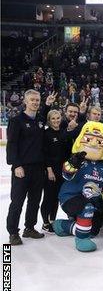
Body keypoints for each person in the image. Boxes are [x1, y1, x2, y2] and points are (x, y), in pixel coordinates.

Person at [54, 122, 103, 252]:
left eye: (99, 141)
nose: (93, 144)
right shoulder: (76, 159)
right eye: (88, 139)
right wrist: (73, 164)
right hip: (71, 198)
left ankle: (63, 226)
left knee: (93, 231)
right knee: (86, 209)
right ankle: (81, 239)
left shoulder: (102, 166)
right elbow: (66, 174)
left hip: (92, 201)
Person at [6, 89, 55, 245]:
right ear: (25, 101)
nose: (35, 102)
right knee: (17, 202)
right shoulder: (17, 120)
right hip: (22, 169)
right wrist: (16, 165)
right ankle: (13, 232)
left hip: (38, 168)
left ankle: (29, 227)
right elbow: (12, 145)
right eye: (32, 100)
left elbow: (44, 118)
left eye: (37, 100)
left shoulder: (39, 120)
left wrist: (47, 105)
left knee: (34, 201)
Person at [41, 110, 71, 233]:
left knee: (57, 197)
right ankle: (45, 222)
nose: (56, 121)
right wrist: (49, 170)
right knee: (49, 197)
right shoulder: (46, 134)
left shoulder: (64, 133)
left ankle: (52, 220)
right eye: (53, 118)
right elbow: (44, 154)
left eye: (58, 118)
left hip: (62, 170)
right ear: (49, 120)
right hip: (50, 171)